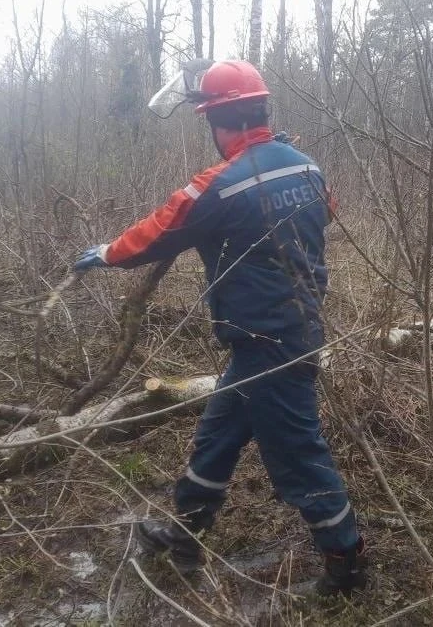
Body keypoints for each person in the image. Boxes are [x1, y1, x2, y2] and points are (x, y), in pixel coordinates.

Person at [73, 59, 366, 597]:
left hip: (271, 342)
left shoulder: (219, 185)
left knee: (298, 456)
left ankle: (346, 565)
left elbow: (159, 230)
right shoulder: (306, 167)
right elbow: (326, 212)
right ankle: (185, 534)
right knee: (218, 436)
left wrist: (107, 253)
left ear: (217, 120)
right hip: (280, 334)